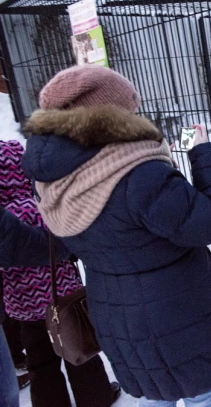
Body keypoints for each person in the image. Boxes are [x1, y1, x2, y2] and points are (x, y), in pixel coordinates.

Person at [22, 65, 211, 406]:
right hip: (176, 313)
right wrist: (204, 153)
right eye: (129, 109)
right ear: (109, 116)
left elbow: (124, 223)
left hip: (117, 316)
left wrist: (164, 174)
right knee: (202, 394)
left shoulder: (55, 179)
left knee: (155, 393)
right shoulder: (139, 173)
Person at [0, 140, 121, 407]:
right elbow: (69, 242)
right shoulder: (43, 205)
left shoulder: (4, 217)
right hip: (62, 299)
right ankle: (97, 398)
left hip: (23, 305)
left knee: (40, 361)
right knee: (80, 351)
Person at [0, 205, 74, 407]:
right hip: (58, 287)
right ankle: (95, 396)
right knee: (77, 346)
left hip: (22, 294)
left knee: (40, 357)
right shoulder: (35, 195)